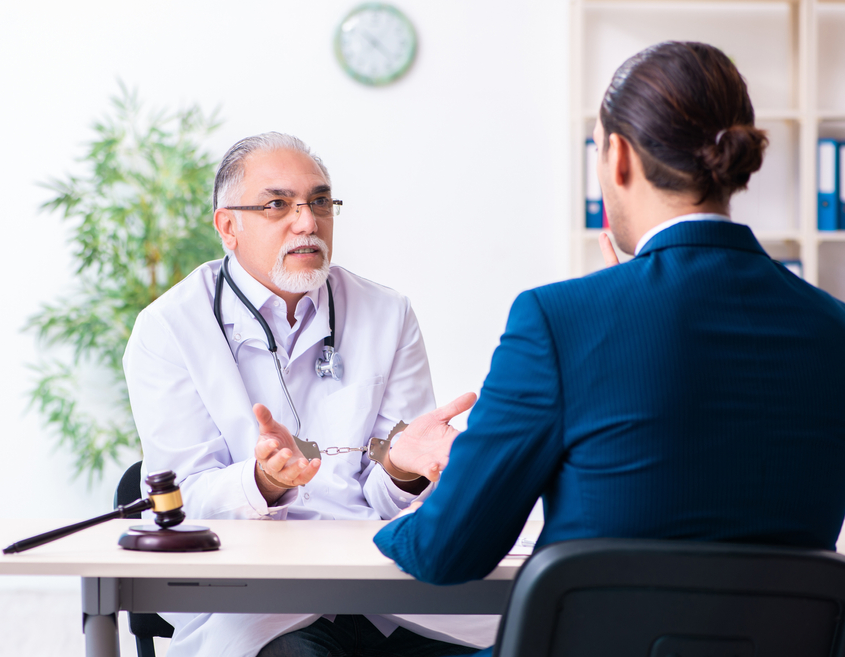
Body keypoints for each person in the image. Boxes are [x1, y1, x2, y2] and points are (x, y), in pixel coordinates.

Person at [374, 41, 845, 655]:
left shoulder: (558, 319)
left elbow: (447, 552)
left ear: (617, 155)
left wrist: (388, 527)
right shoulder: (832, 328)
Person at [122, 132, 497, 657]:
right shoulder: (170, 328)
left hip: (385, 586)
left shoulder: (386, 314)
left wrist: (403, 470)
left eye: (320, 202)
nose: (307, 222)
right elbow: (183, 501)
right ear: (228, 226)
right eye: (278, 205)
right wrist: (264, 481)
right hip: (259, 598)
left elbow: (391, 497)